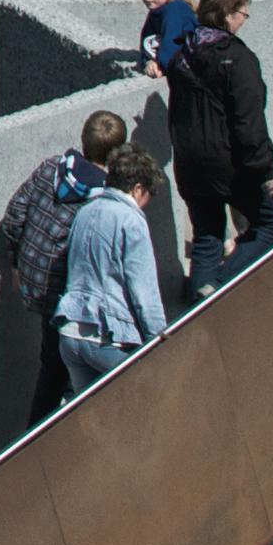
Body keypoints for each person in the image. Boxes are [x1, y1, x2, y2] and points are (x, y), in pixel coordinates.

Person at [0, 108, 132, 425]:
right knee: (64, 368)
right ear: (117, 154)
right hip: (66, 296)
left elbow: (14, 215)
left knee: (52, 362)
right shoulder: (103, 200)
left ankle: (38, 430)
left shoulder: (51, 167)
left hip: (32, 284)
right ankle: (48, 433)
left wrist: (15, 265)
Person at [166, 0, 273, 301]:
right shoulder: (237, 59)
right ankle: (217, 292)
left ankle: (196, 307)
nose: (243, 20)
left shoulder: (181, 55)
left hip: (189, 165)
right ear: (228, 15)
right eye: (242, 13)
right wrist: (267, 171)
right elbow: (249, 124)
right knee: (270, 222)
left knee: (207, 235)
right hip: (228, 166)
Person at [54, 147, 170, 394]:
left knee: (90, 418)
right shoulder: (131, 220)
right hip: (108, 339)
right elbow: (144, 294)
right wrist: (160, 340)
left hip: (70, 335)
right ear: (138, 189)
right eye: (151, 193)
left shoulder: (84, 212)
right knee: (143, 404)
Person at [132, 0, 197, 80]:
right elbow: (147, 43)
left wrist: (160, 66)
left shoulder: (176, 11)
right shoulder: (157, 12)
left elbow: (171, 50)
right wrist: (149, 62)